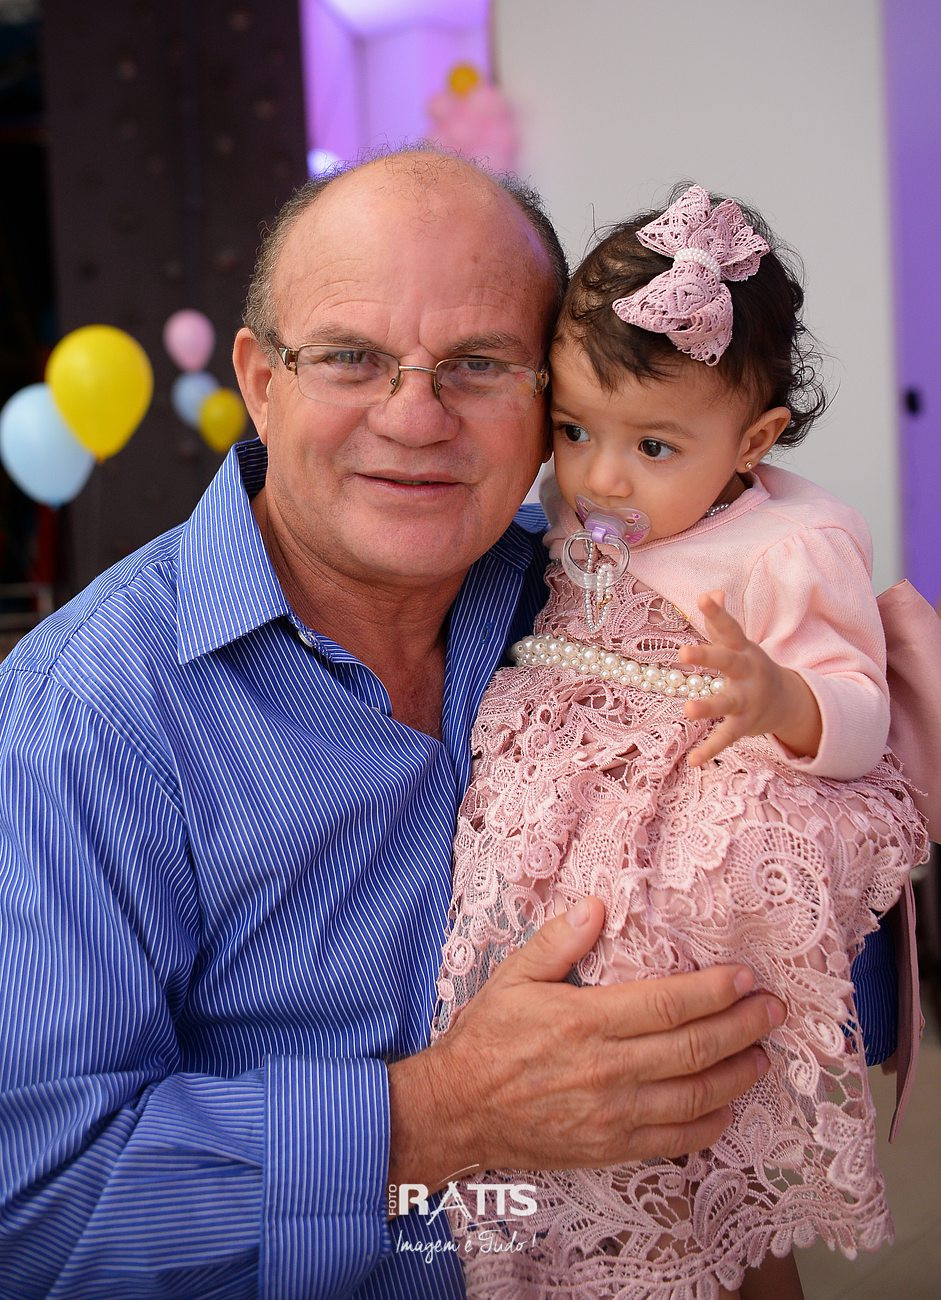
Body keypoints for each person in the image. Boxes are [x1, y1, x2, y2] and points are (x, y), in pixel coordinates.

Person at [0, 153, 789, 1298]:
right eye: (350, 358)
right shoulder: (86, 718)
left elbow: (781, 1036)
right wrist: (440, 1114)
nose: (414, 416)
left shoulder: (618, 611)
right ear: (260, 381)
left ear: (551, 400)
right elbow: (34, 1207)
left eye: (477, 364)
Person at [435, 185, 928, 1299]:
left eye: (651, 443)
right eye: (574, 430)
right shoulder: (584, 507)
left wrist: (780, 696)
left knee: (688, 1123)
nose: (598, 476)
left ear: (752, 442)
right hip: (570, 797)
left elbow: (861, 713)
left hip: (695, 813)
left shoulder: (788, 544)